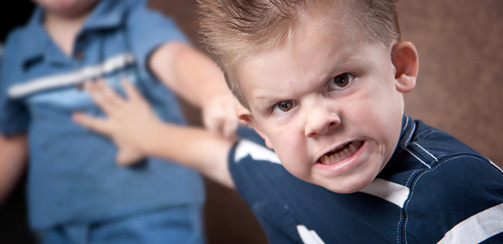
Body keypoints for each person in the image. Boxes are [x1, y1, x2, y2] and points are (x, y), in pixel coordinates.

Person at [73, 0, 503, 243]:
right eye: (283, 106)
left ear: (400, 68)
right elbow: (224, 157)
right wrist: (145, 135)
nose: (319, 121)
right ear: (257, 126)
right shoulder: (282, 166)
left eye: (340, 80)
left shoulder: (454, 196)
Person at [0, 0, 238, 243]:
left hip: (152, 210)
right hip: (59, 221)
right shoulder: (18, 48)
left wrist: (213, 91)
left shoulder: (132, 18)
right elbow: (12, 138)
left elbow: (174, 59)